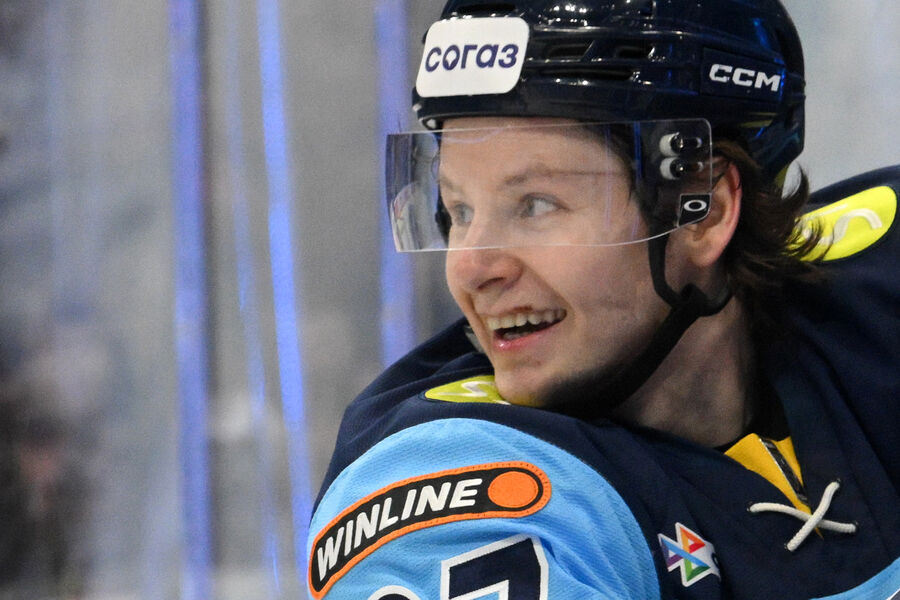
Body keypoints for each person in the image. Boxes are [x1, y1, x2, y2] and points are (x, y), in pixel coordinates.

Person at [307, 1, 900, 597]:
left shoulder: (873, 294)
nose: (469, 268)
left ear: (703, 211)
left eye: (536, 205)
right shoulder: (455, 474)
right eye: (457, 210)